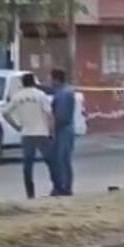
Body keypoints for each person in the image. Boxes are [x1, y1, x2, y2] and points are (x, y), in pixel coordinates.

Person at [0, 72, 54, 199]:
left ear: (22, 83)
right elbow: (49, 115)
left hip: (27, 134)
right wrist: (51, 132)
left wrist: (16, 126)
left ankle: (30, 194)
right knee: (51, 162)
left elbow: (5, 113)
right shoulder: (40, 95)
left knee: (28, 166)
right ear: (34, 82)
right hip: (42, 133)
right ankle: (57, 186)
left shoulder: (17, 97)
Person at [49, 67, 76, 196]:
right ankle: (63, 186)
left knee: (62, 159)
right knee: (62, 159)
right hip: (65, 129)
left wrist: (53, 130)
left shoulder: (63, 93)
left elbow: (61, 115)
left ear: (56, 79)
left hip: (63, 129)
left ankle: (65, 187)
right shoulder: (64, 91)